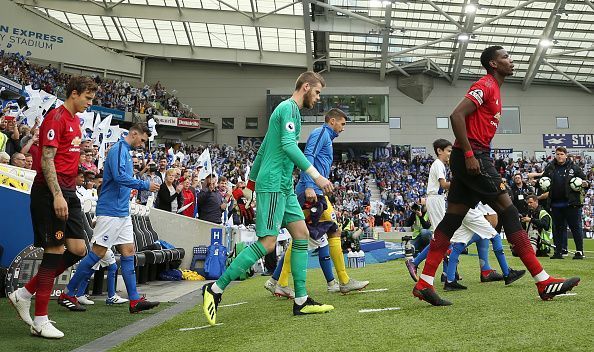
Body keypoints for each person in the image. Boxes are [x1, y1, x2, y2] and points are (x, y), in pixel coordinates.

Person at [412, 46, 579, 306]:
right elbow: (456, 115)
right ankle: (543, 281)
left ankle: (425, 283)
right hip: (474, 156)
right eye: (505, 57)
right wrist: (469, 155)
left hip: (471, 155)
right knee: (509, 211)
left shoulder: (495, 88)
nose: (510, 61)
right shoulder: (486, 85)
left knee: (451, 221)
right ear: (493, 63)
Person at [202, 72, 335, 326]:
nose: (318, 98)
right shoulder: (287, 108)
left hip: (283, 185)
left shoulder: (291, 113)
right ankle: (215, 290)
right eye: (317, 92)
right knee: (268, 243)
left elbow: (264, 148)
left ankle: (301, 301)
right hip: (274, 183)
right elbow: (287, 145)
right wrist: (316, 176)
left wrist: (250, 183)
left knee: (301, 234)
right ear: (305, 87)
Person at [8, 76, 98, 339]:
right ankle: (40, 320)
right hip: (50, 192)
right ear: (73, 94)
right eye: (87, 99)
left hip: (68, 191)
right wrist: (58, 195)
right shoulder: (56, 119)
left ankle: (24, 294)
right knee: (55, 251)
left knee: (78, 249)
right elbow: (47, 161)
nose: (89, 104)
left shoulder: (75, 121)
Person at [60, 123, 161, 315]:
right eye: (142, 139)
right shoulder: (117, 150)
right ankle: (68, 293)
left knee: (129, 251)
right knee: (98, 252)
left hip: (122, 212)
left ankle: (134, 300)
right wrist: (143, 184)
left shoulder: (124, 151)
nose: (142, 144)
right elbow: (118, 177)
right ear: (134, 133)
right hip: (111, 210)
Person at [265, 108, 368, 295]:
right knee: (322, 233)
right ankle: (341, 281)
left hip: (315, 191)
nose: (343, 128)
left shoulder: (326, 137)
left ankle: (279, 281)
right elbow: (308, 157)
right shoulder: (321, 133)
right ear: (332, 121)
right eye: (342, 124)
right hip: (311, 192)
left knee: (313, 236)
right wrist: (309, 185)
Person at [542, 146, 589, 259]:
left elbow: (585, 180)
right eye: (558, 154)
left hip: (571, 203)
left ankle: (579, 252)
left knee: (575, 228)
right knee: (557, 229)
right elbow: (543, 180)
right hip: (555, 204)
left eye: (562, 154)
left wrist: (585, 184)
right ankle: (558, 252)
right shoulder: (550, 167)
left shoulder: (574, 167)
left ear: (566, 155)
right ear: (555, 155)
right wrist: (538, 183)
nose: (559, 156)